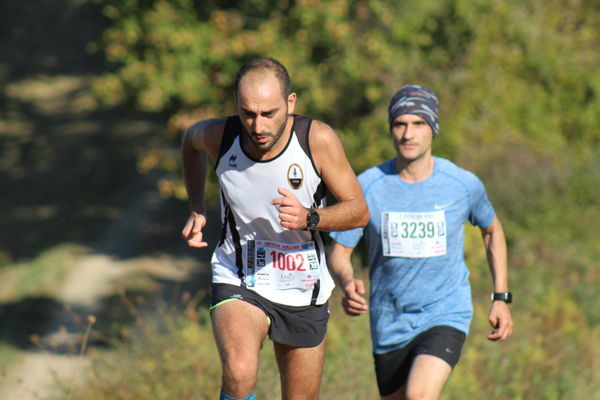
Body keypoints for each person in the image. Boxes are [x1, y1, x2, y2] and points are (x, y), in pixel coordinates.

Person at [181, 57, 369, 400]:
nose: (257, 125)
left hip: (302, 283)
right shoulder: (221, 136)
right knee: (239, 372)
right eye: (248, 113)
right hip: (239, 272)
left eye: (269, 113)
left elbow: (359, 211)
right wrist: (197, 207)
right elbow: (190, 142)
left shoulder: (317, 140)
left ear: (290, 103)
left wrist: (311, 218)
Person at [328, 85, 514, 400]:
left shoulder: (461, 184)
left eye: (418, 124)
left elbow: (492, 230)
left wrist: (501, 297)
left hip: (444, 311)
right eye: (400, 124)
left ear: (433, 129)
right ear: (391, 129)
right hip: (389, 320)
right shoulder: (368, 186)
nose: (408, 134)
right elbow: (339, 253)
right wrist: (347, 282)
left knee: (419, 396)